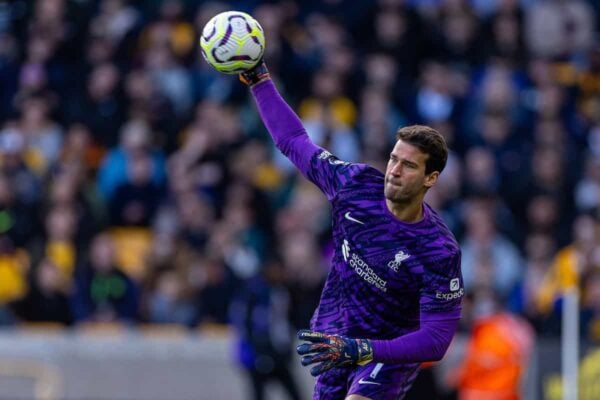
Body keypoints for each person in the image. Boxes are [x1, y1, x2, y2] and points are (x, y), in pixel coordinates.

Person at [236, 61, 463, 400]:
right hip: (333, 339)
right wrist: (259, 79)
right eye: (393, 159)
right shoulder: (354, 185)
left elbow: (437, 339)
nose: (395, 171)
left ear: (431, 178)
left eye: (409, 165)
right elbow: (294, 141)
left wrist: (363, 349)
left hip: (385, 353)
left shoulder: (438, 251)